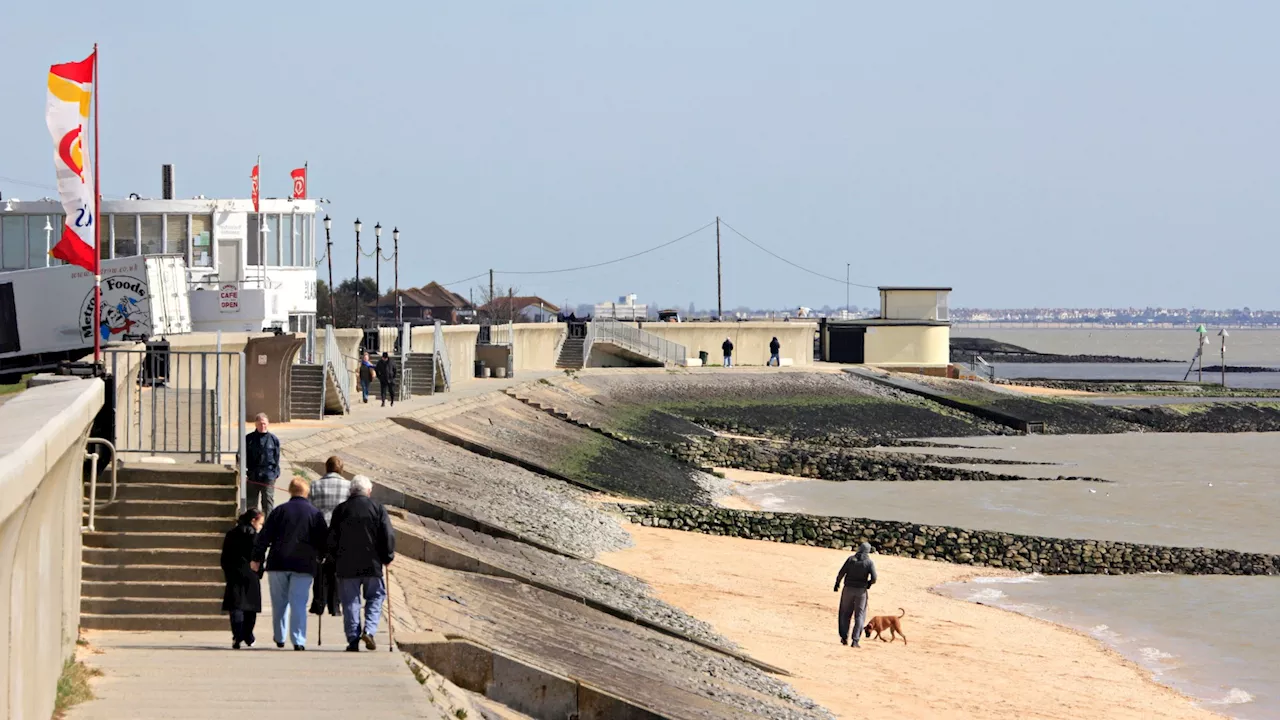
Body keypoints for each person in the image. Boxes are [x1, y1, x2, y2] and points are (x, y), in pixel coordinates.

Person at [252, 477, 327, 651]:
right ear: (306, 492)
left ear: (290, 491)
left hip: (278, 561)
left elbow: (264, 537)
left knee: (279, 602)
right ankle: (298, 639)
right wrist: (322, 556)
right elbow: (323, 540)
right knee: (299, 603)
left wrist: (257, 558)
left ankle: (279, 637)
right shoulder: (315, 513)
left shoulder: (279, 511)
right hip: (304, 564)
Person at [328, 475, 396, 652]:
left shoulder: (341, 510)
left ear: (351, 491)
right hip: (372, 563)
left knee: (350, 601)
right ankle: (370, 630)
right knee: (375, 596)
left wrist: (334, 558)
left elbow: (331, 539)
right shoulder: (378, 508)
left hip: (346, 565)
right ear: (368, 491)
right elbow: (387, 534)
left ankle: (352, 639)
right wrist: (387, 556)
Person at [308, 457, 352, 619]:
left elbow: (310, 510)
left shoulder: (315, 486)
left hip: (320, 532)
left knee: (319, 569)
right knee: (336, 570)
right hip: (340, 534)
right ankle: (335, 605)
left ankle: (318, 602)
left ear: (326, 468)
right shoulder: (348, 487)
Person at [221, 509, 264, 649]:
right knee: (250, 608)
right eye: (260, 523)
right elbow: (259, 557)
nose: (261, 526)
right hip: (251, 575)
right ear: (253, 521)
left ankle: (237, 635)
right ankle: (248, 635)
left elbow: (224, 557)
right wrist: (260, 571)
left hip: (234, 573)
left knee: (236, 607)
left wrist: (228, 571)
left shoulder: (231, 534)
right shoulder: (255, 537)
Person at [834, 542, 877, 647]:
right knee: (860, 615)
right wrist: (868, 584)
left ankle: (844, 637)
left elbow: (841, 573)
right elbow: (874, 578)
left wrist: (837, 584)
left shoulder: (850, 560)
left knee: (845, 613)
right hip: (861, 591)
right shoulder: (869, 562)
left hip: (848, 589)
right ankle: (855, 640)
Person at [245, 413, 280, 514]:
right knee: (251, 502)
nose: (262, 426)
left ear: (268, 423)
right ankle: (252, 523)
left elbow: (276, 457)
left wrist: (275, 473)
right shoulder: (248, 439)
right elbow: (241, 456)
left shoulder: (273, 440)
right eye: (260, 424)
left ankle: (267, 525)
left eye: (264, 424)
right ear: (255, 424)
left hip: (268, 475)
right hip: (252, 474)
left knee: (268, 501)